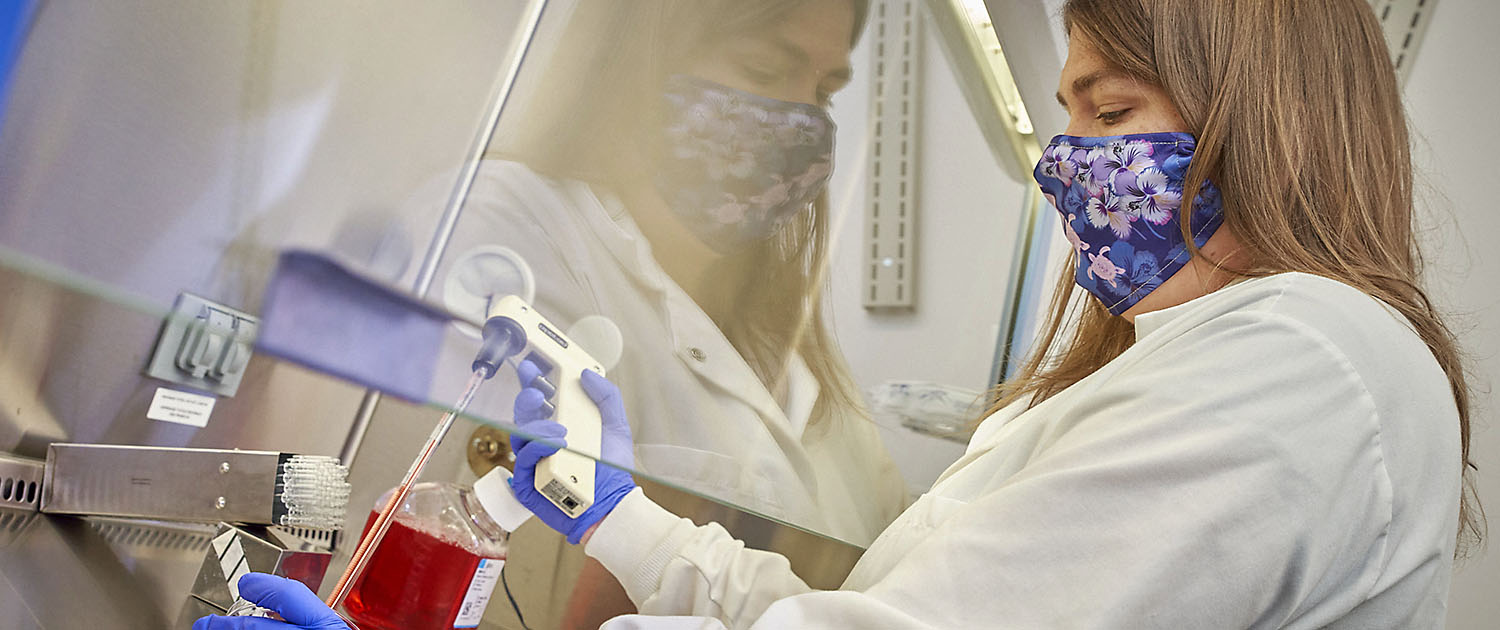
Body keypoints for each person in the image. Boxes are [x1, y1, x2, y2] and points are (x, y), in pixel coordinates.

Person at [198, 0, 1482, 627]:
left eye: (1112, 113)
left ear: (1266, 117)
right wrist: (621, 517)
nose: (1061, 162)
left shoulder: (1300, 355)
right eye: (1067, 115)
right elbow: (880, 607)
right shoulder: (1212, 360)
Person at [426, 0, 907, 545]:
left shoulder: (787, 345)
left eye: (825, 94)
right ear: (642, 59)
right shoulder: (507, 225)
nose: (803, 126)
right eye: (763, 71)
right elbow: (475, 534)